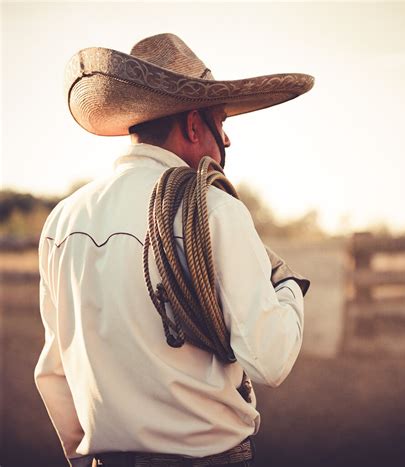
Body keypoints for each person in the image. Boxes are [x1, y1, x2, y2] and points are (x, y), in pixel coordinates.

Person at [35, 33, 313, 467]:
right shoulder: (217, 210)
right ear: (193, 125)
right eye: (221, 122)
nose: (228, 139)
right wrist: (288, 287)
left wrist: (82, 455)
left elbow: (55, 369)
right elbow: (269, 358)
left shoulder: (64, 220)